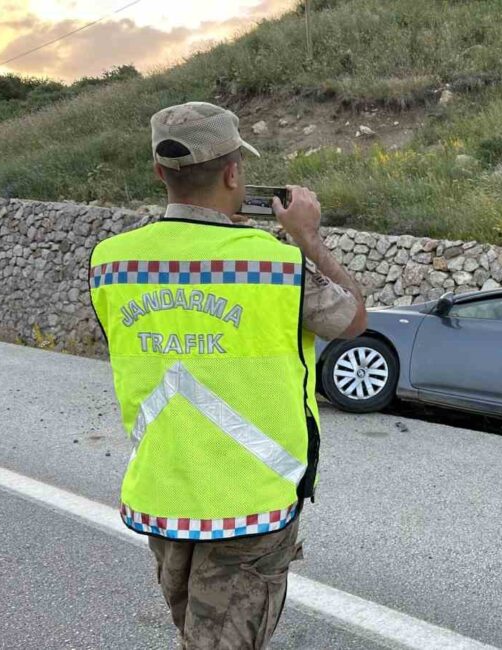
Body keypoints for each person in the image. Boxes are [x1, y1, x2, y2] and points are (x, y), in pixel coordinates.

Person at [89, 101, 367, 649]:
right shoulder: (275, 264)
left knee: (194, 633)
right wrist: (308, 237)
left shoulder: (111, 262)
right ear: (235, 172)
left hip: (163, 495)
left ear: (159, 172)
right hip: (250, 503)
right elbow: (353, 319)